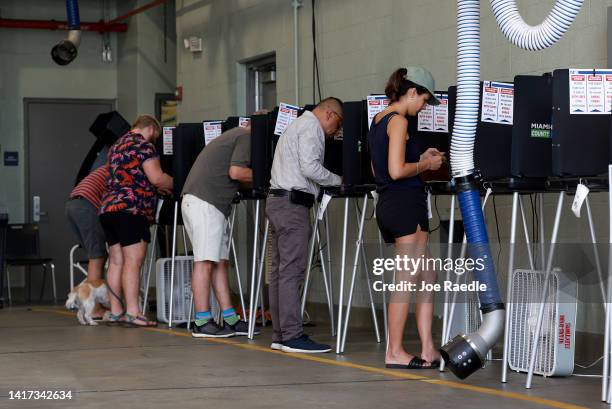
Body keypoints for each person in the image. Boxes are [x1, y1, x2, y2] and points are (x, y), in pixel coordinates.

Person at [368, 67, 444, 369]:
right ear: (412, 92)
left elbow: (379, 170)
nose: (423, 107)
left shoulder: (378, 120)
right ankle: (394, 351)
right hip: (404, 205)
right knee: (405, 280)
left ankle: (427, 348)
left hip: (390, 203)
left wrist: (420, 156)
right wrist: (426, 164)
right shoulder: (399, 121)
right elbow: (398, 171)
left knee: (428, 275)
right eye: (424, 100)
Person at [266, 97, 343, 353]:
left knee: (279, 272)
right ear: (330, 114)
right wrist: (337, 179)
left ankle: (280, 333)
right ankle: (292, 335)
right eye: (337, 125)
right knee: (291, 271)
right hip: (292, 206)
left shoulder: (296, 125)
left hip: (277, 201)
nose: (335, 133)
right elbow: (310, 167)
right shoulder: (312, 127)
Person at [181, 120, 260, 338]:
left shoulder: (233, 136)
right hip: (205, 204)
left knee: (219, 263)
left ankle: (230, 319)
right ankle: (202, 321)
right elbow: (236, 172)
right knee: (205, 262)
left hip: (207, 203)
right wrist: (268, 176)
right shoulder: (245, 136)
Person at [99, 115, 173, 327]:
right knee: (133, 261)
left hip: (108, 209)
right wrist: (177, 182)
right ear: (150, 128)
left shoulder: (116, 145)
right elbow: (157, 178)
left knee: (115, 262)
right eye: (155, 136)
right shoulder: (143, 145)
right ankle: (133, 313)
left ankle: (115, 312)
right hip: (131, 209)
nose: (154, 141)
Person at [65, 163, 110, 320]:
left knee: (97, 253)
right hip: (86, 204)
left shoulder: (107, 166)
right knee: (97, 255)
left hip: (74, 203)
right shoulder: (119, 169)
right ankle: (95, 308)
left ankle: (90, 302)